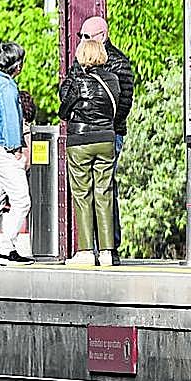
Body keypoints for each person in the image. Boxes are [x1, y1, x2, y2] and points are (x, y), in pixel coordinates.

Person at [60, 38, 121, 267]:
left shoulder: (78, 82)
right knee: (104, 192)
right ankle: (107, 252)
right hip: (106, 139)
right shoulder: (114, 80)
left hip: (80, 141)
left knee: (82, 194)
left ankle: (86, 251)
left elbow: (63, 111)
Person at [78, 15, 134, 254]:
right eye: (81, 36)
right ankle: (95, 246)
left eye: (86, 36)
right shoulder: (80, 60)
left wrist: (106, 123)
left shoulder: (118, 63)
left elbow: (125, 102)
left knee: (104, 188)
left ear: (102, 36)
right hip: (95, 133)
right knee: (94, 189)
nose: (81, 41)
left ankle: (109, 246)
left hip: (110, 133)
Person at [0, 41, 34, 266]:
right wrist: (18, 148)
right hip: (4, 150)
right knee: (22, 200)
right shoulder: (8, 87)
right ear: (17, 65)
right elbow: (12, 120)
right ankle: (6, 245)